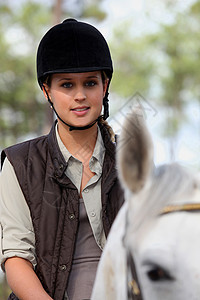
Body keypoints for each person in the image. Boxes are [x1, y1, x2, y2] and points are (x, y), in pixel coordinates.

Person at [0, 18, 124, 300]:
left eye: (90, 83)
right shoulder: (20, 164)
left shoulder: (132, 159)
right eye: (67, 85)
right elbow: (16, 258)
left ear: (105, 86)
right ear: (47, 91)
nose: (80, 96)